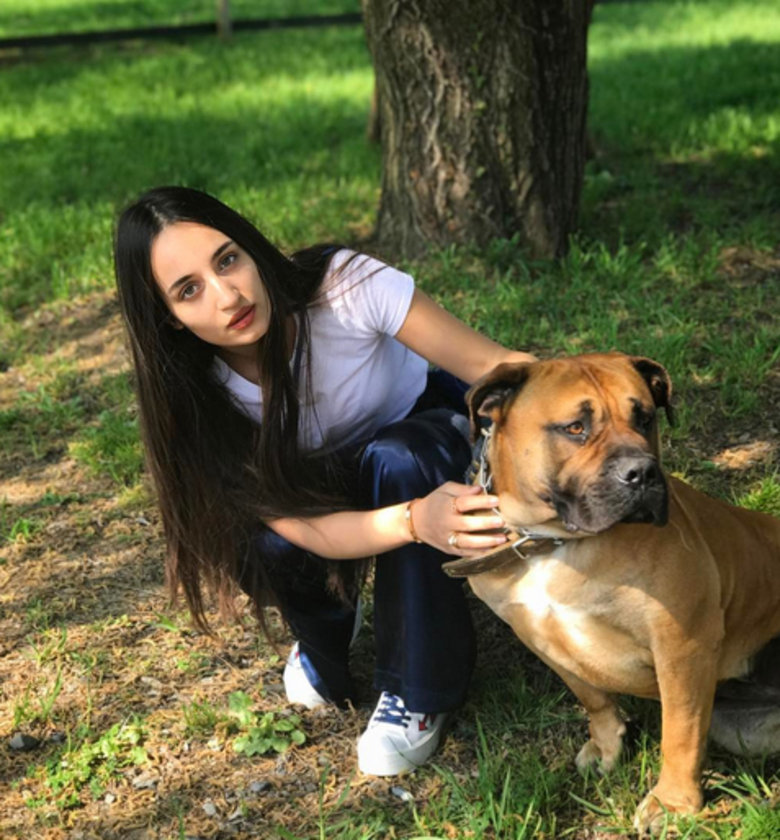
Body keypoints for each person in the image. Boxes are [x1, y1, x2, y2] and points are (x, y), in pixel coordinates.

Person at [114, 186, 536, 776]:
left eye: (228, 259)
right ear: (168, 317)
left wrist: (595, 410)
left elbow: (493, 366)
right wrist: (415, 521)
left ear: (251, 245)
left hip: (418, 438)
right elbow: (307, 530)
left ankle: (418, 688)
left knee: (401, 459)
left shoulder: (343, 285)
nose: (228, 295)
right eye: (189, 290)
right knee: (263, 543)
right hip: (316, 497)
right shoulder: (196, 399)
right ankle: (326, 633)